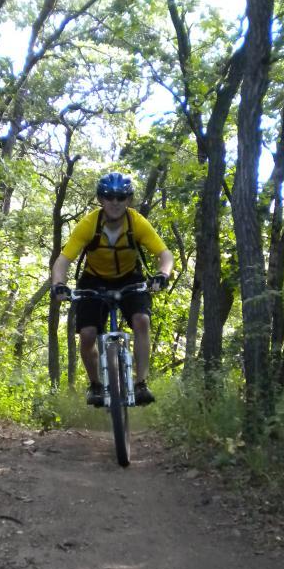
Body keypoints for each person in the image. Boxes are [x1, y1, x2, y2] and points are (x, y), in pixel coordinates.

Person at [51, 172, 174, 406]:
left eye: (121, 197)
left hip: (129, 278)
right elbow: (63, 260)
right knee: (87, 335)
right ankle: (96, 385)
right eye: (109, 197)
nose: (115, 203)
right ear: (100, 199)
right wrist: (59, 285)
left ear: (128, 200)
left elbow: (164, 254)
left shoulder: (137, 223)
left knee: (142, 321)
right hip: (93, 280)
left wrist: (163, 274)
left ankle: (141, 384)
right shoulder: (88, 225)